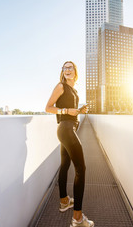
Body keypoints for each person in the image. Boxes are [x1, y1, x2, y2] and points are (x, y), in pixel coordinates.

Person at [45, 61, 94, 227]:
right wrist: (66, 111)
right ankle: (78, 219)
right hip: (65, 129)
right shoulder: (61, 86)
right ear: (62, 72)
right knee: (81, 169)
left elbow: (71, 111)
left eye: (70, 67)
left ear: (75, 71)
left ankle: (64, 201)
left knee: (65, 165)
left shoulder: (73, 90)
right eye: (64, 68)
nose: (67, 70)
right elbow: (48, 107)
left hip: (68, 128)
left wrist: (80, 111)